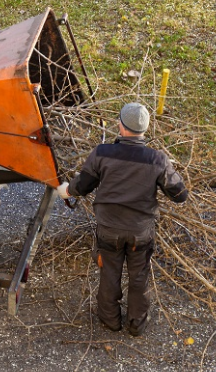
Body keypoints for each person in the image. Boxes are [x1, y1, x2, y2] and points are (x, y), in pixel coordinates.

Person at [57, 102, 188, 336]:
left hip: (109, 229)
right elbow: (180, 195)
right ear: (145, 130)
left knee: (109, 272)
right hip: (140, 232)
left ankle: (110, 320)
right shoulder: (157, 159)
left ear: (121, 125)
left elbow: (82, 186)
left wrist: (66, 190)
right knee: (139, 277)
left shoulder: (102, 153)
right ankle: (136, 323)